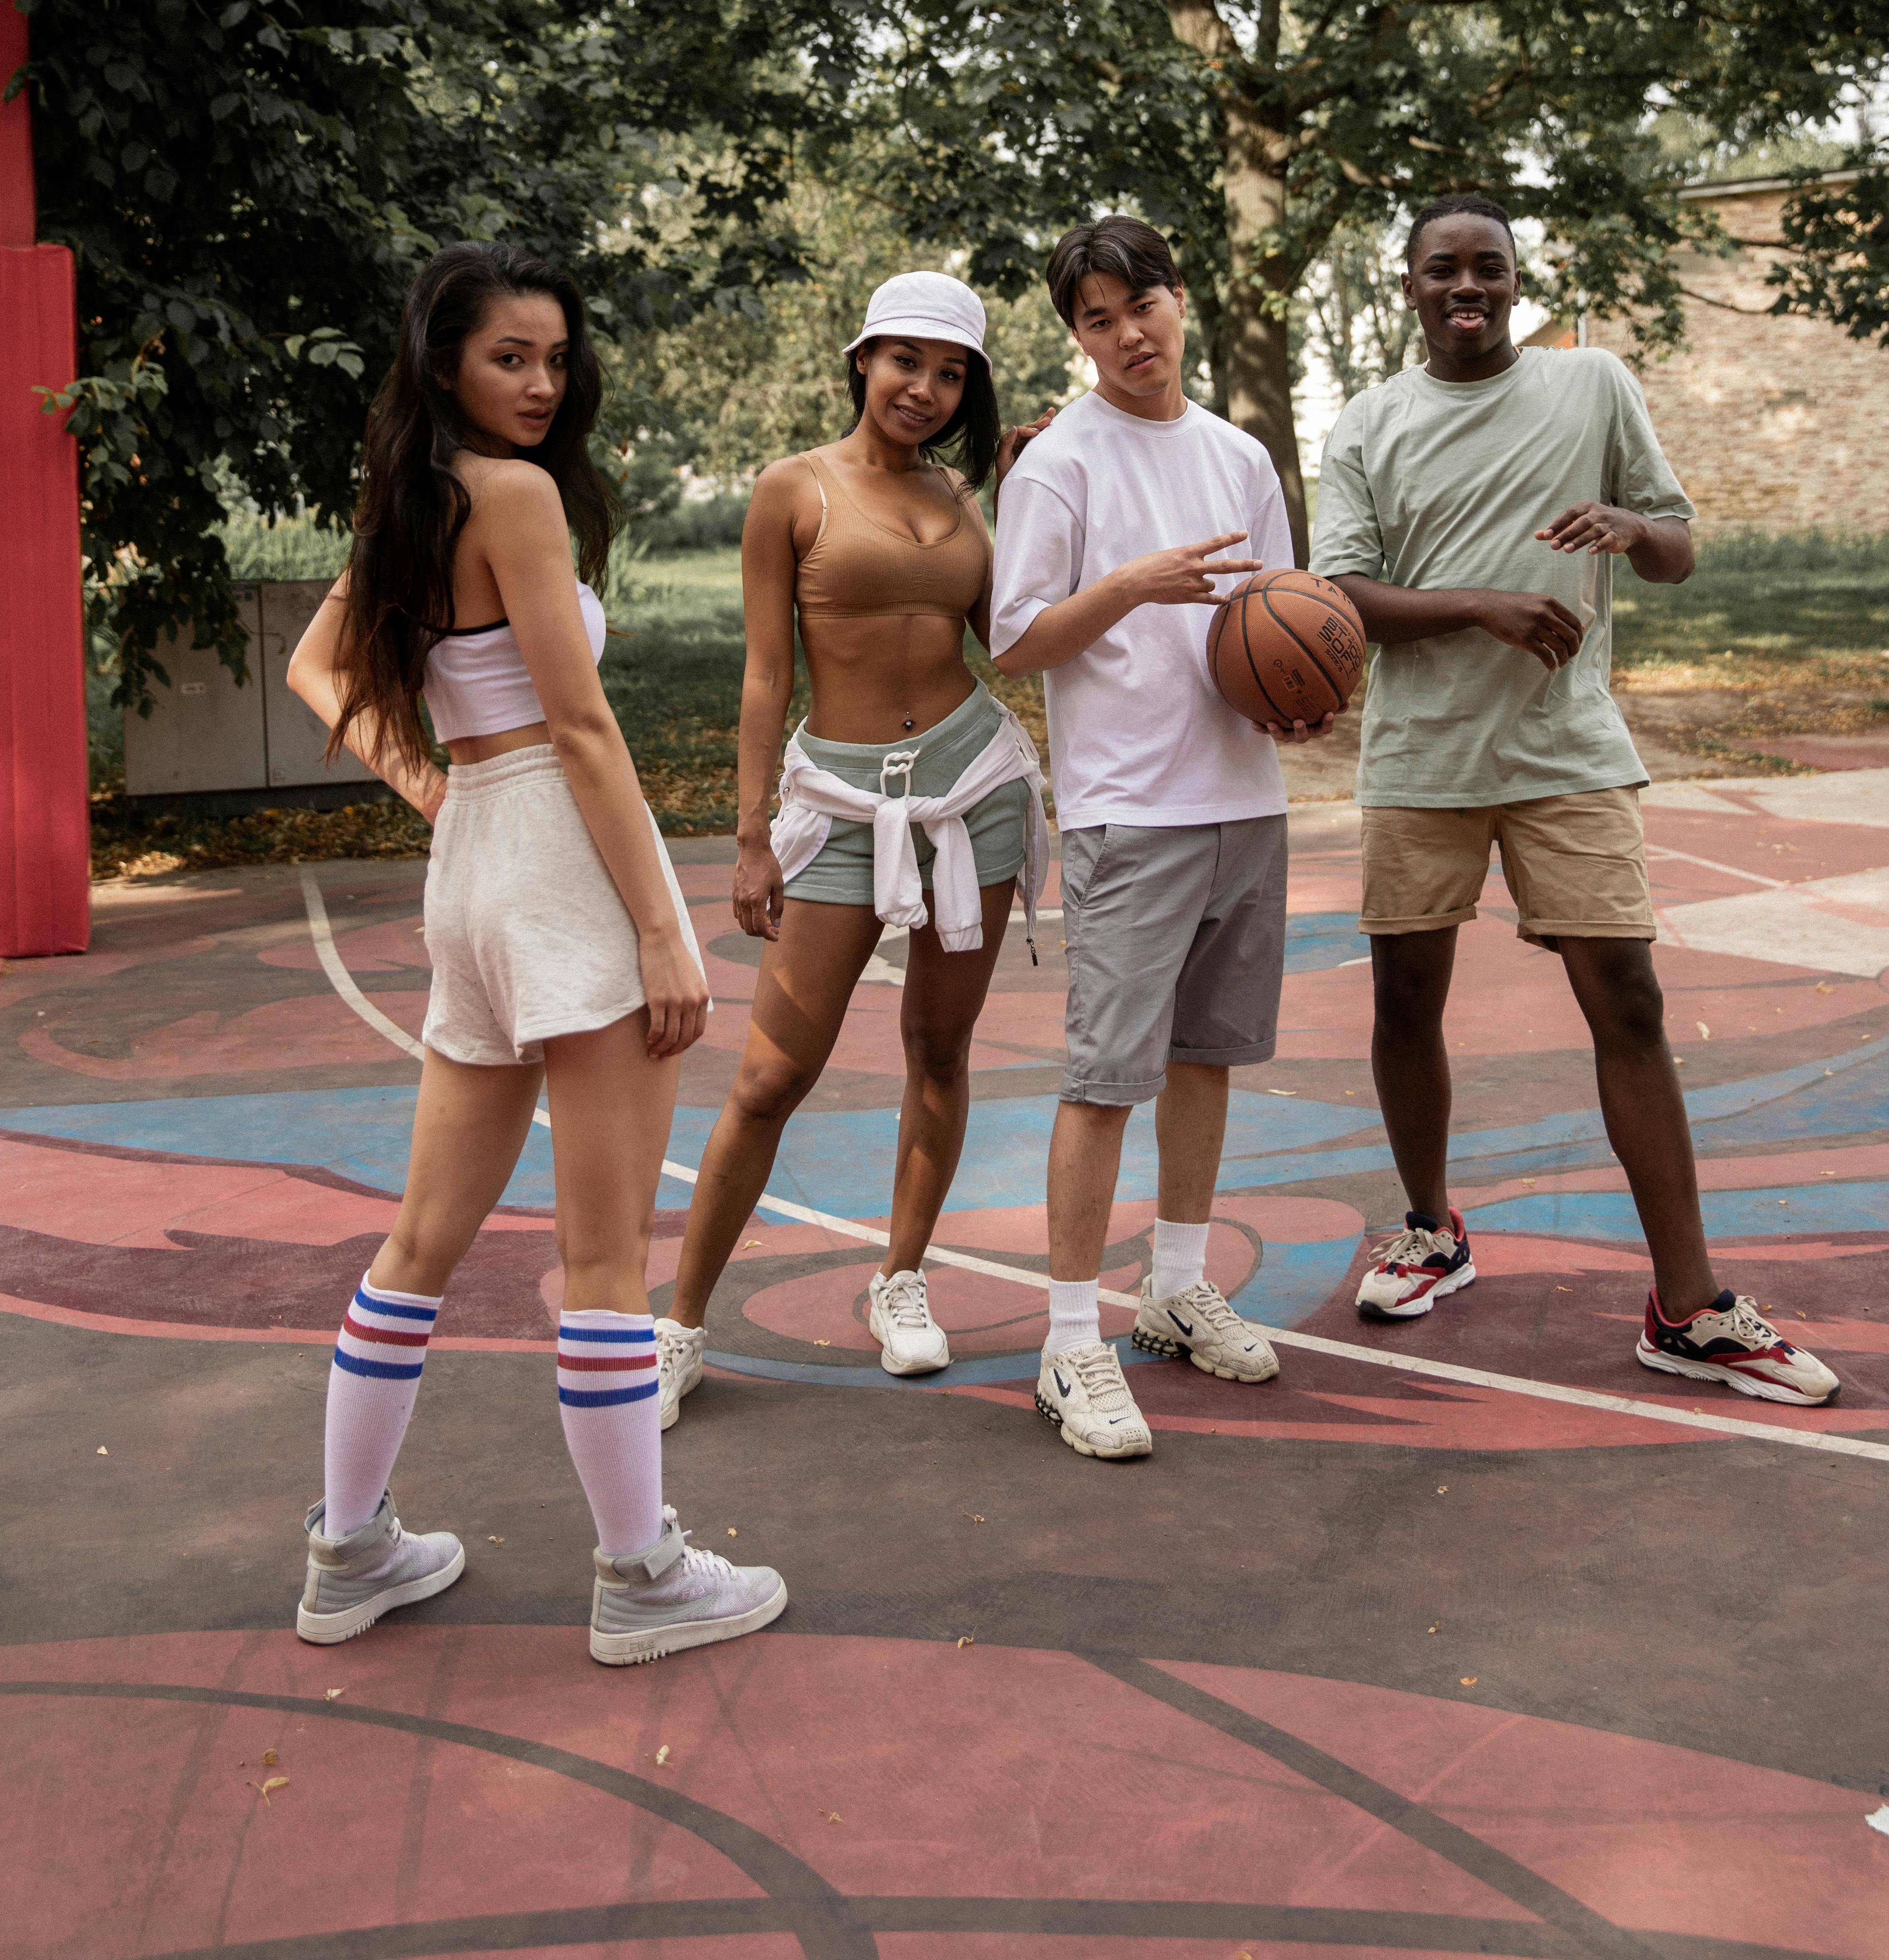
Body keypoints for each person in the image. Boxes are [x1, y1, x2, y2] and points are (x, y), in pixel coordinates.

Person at [284, 239, 789, 1664]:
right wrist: (662, 922)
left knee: (421, 1242)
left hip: (475, 867)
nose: (539, 381)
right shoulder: (509, 496)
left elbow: (316, 669)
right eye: (509, 355)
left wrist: (440, 786)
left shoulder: (412, 496)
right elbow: (582, 728)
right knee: (606, 1255)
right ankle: (641, 1573)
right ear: (442, 358)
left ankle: (347, 1548)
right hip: (557, 859)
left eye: (555, 359)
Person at [1310, 190, 1838, 1406]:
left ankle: (1689, 1303)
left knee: (1631, 999)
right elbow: (1338, 594)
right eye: (1441, 268)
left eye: (1487, 268)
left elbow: (1679, 544)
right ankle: (1430, 1227)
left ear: (1514, 278)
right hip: (1421, 758)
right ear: (1408, 288)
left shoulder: (1590, 384)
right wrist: (1476, 603)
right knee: (1405, 997)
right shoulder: (1369, 424)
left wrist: (1629, 525)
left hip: (1567, 749)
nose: (1466, 288)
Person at [656, 271, 1047, 1421]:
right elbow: (766, 672)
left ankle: (901, 1279)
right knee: (772, 1075)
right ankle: (677, 1325)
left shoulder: (971, 502)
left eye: (948, 371)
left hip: (970, 789)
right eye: (904, 361)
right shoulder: (796, 488)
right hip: (838, 802)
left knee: (938, 1048)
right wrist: (747, 836)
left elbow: (1013, 646)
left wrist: (1033, 507)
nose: (922, 388)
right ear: (862, 359)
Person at [989, 216, 1339, 1462]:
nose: (1127, 331)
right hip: (1128, 810)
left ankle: (1176, 1287)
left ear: (1180, 300)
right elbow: (1013, 638)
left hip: (1241, 800)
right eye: (1095, 316)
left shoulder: (1240, 454)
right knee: (1103, 1081)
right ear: (1075, 336)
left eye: (1142, 302)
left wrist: (1298, 696)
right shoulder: (1059, 467)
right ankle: (1066, 1340)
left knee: (1206, 1059)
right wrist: (1128, 585)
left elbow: (1282, 616)